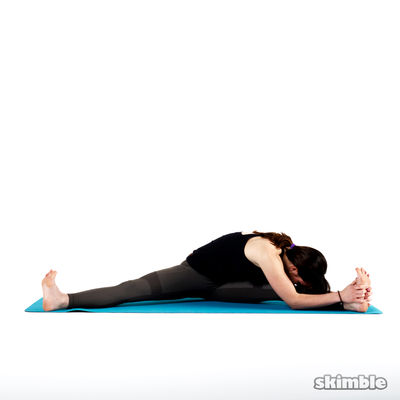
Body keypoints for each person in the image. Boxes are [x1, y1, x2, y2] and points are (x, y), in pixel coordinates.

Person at [41, 230, 372, 312]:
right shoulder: (268, 253)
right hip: (193, 274)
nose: (298, 281)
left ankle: (347, 305)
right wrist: (339, 293)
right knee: (132, 290)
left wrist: (348, 296)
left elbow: (301, 288)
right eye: (298, 276)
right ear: (293, 266)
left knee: (276, 291)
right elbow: (294, 300)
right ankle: (63, 299)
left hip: (221, 286)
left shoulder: (288, 254)